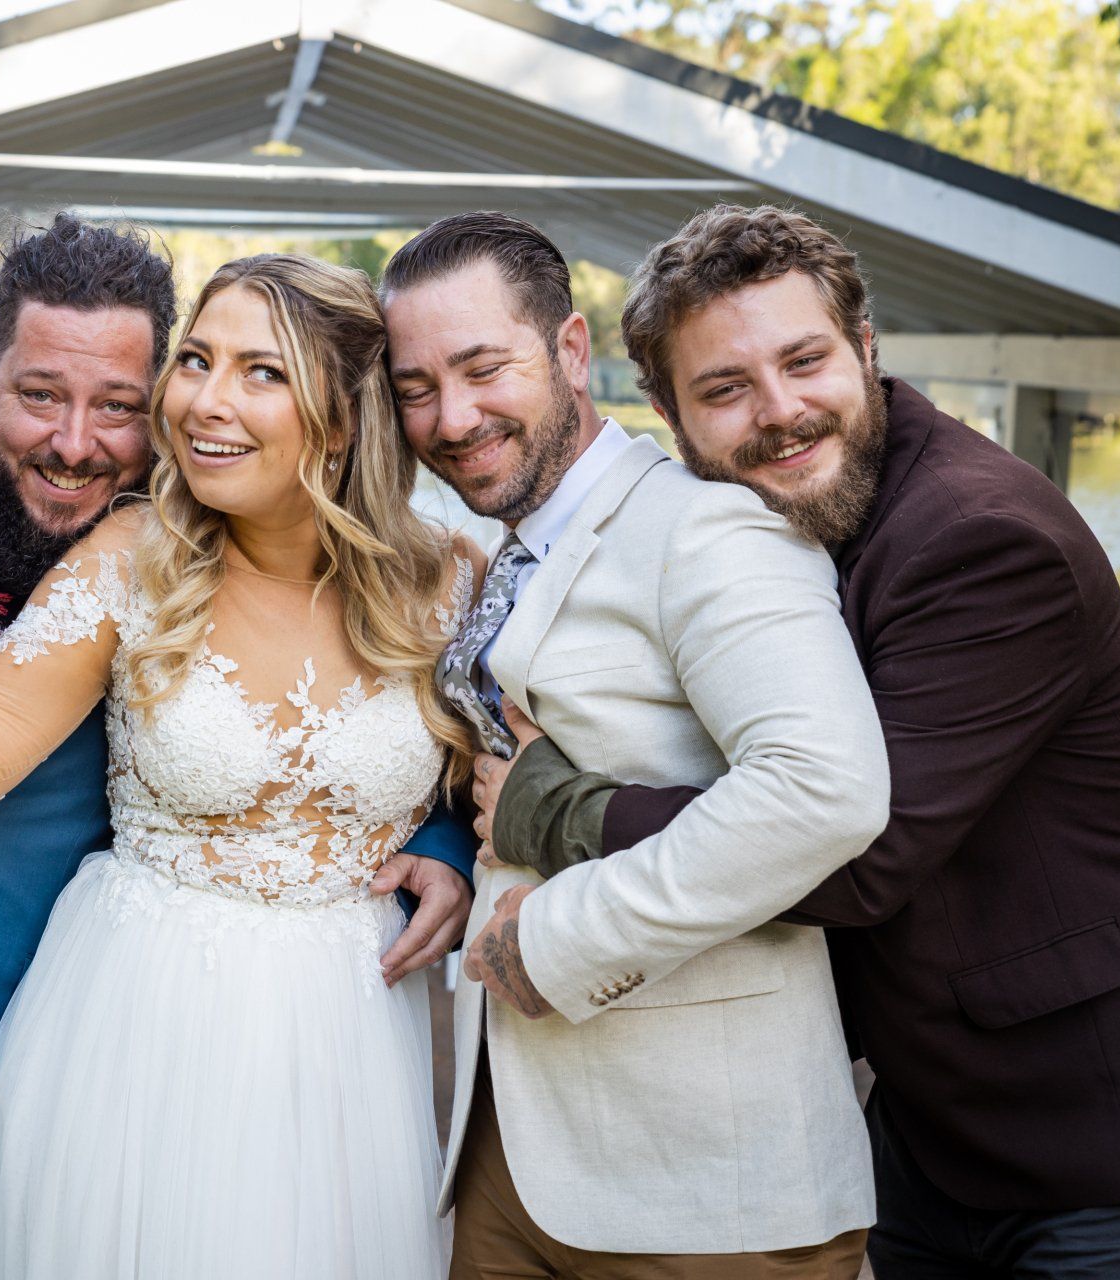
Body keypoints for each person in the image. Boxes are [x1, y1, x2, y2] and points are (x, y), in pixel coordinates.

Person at [0, 252, 482, 1279]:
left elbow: (498, 774)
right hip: (134, 1027)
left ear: (341, 415)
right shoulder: (137, 551)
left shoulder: (452, 580)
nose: (206, 398)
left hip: (344, 1046)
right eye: (197, 361)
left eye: (260, 371)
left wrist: (448, 842)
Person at [486, 203, 1120, 1278]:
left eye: (805, 361)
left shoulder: (982, 539)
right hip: (929, 1141)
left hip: (1100, 1143)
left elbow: (855, 844)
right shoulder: (789, 526)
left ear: (866, 347)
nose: (782, 411)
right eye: (725, 388)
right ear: (666, 412)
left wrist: (558, 807)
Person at [378, 211, 887, 1279]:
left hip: (706, 1180)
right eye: (417, 386)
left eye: (481, 369)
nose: (451, 417)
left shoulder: (708, 529)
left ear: (570, 352)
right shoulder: (500, 547)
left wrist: (558, 938)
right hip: (508, 1144)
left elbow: (823, 792)